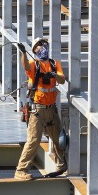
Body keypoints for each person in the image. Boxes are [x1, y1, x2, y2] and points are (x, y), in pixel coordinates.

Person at [14, 37, 67, 180]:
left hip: (51, 109)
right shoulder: (34, 65)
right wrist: (23, 53)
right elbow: (26, 67)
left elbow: (62, 79)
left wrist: (54, 74)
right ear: (35, 50)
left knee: (58, 139)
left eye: (44, 44)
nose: (42, 47)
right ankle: (21, 170)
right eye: (39, 46)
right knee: (33, 140)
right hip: (38, 110)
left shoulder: (54, 64)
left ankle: (60, 165)